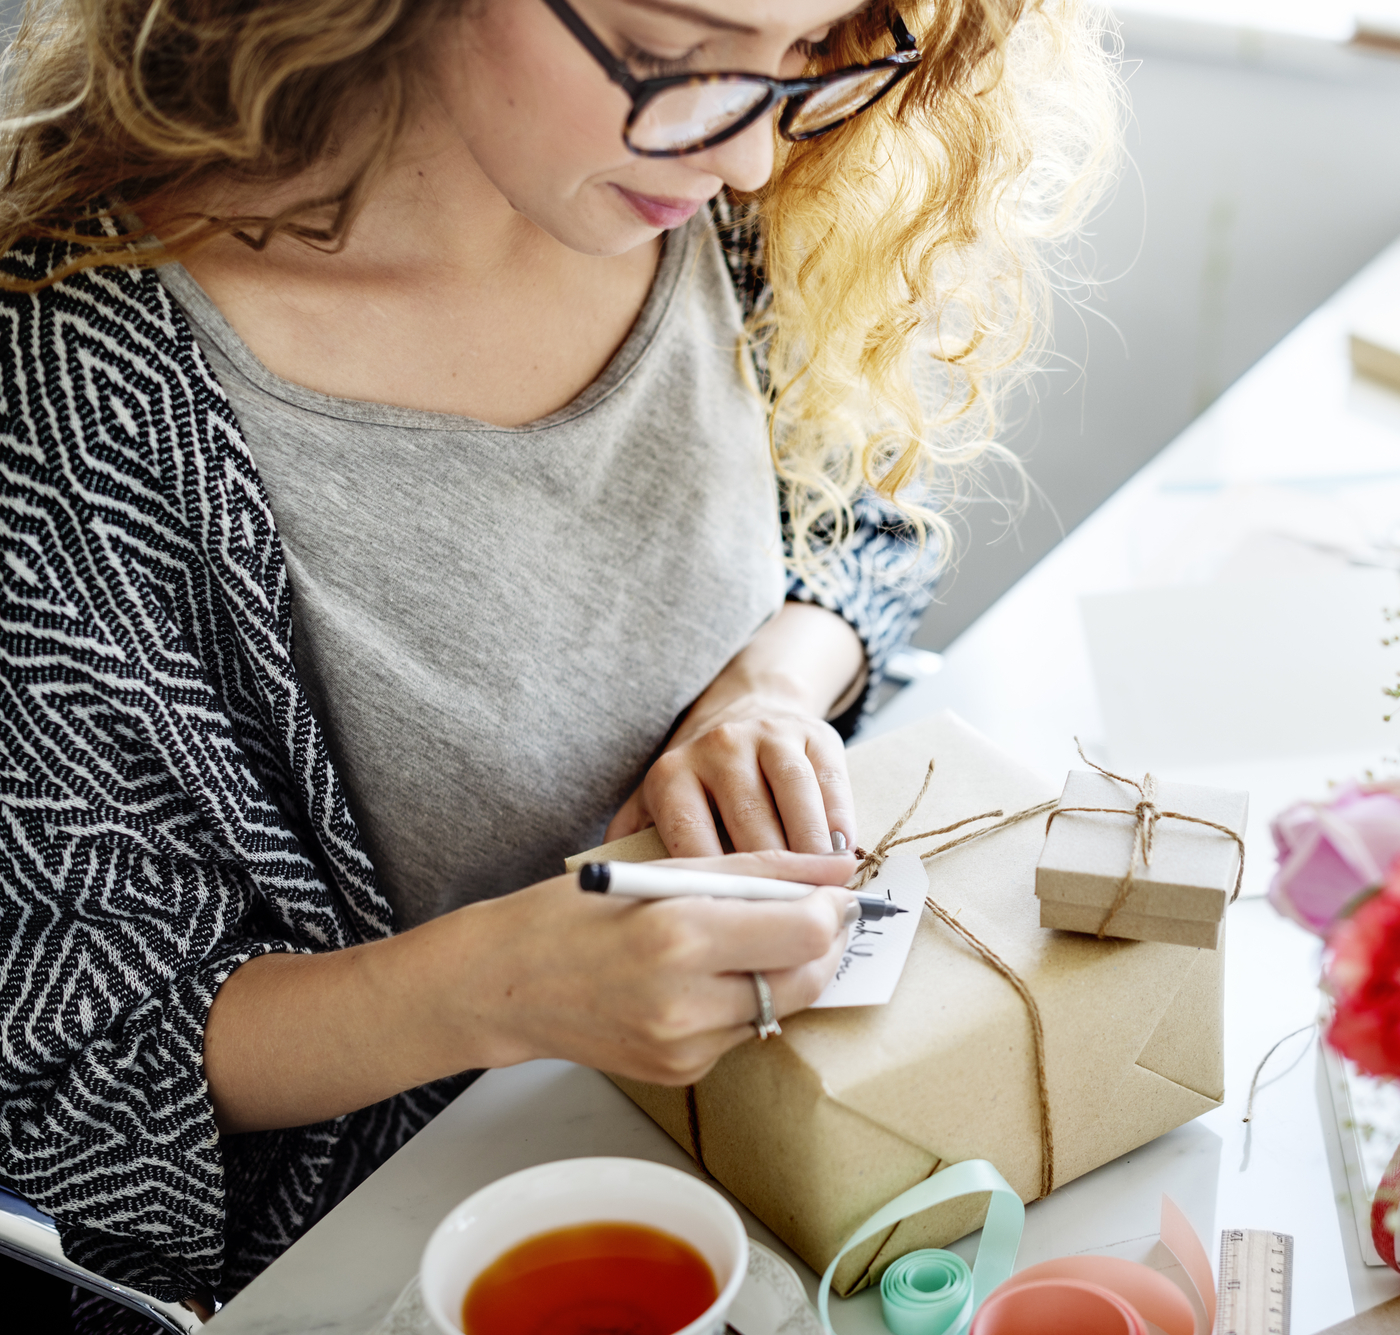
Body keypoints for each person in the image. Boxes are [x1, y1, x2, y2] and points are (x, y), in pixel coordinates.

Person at [0, 0, 1117, 1322]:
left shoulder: (709, 191)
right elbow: (74, 1066)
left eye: (814, 49)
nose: (755, 149)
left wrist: (765, 688)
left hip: (801, 1154)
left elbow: (860, 525)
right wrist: (499, 989)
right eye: (677, 48)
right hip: (449, 1247)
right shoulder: (75, 414)